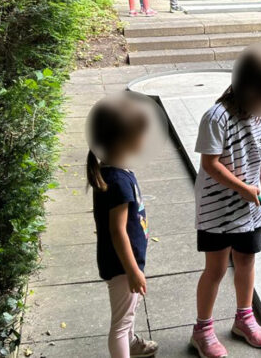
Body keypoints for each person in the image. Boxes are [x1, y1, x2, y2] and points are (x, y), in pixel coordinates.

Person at [190, 46, 261, 358]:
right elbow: (211, 164)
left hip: (249, 212)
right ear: (250, 89)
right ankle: (202, 329)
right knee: (217, 269)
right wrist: (244, 188)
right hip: (216, 211)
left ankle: (243, 318)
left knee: (246, 262)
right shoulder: (216, 117)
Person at [88, 94, 159, 358]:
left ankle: (131, 344)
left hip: (124, 262)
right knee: (120, 324)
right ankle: (125, 345)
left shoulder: (115, 170)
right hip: (122, 265)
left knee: (127, 313)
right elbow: (117, 231)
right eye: (140, 134)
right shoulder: (117, 180)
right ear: (122, 141)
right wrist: (132, 271)